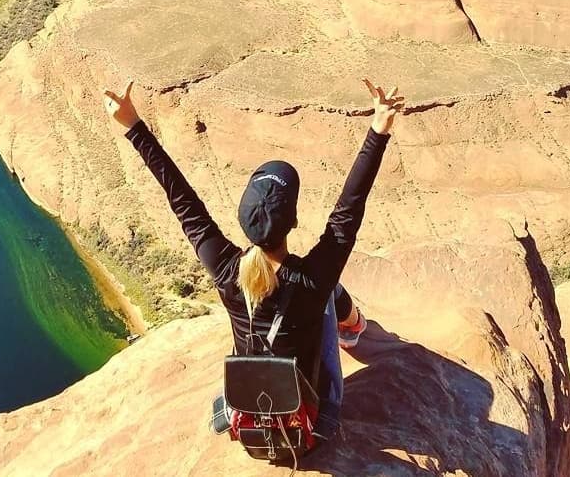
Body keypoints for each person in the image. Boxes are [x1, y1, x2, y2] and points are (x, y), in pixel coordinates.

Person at [102, 77, 405, 440]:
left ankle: (246, 398)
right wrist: (378, 129)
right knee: (328, 292)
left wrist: (134, 126)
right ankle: (353, 329)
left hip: (249, 425)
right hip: (308, 425)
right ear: (293, 221)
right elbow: (348, 210)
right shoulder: (312, 280)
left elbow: (182, 200)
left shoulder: (227, 270)